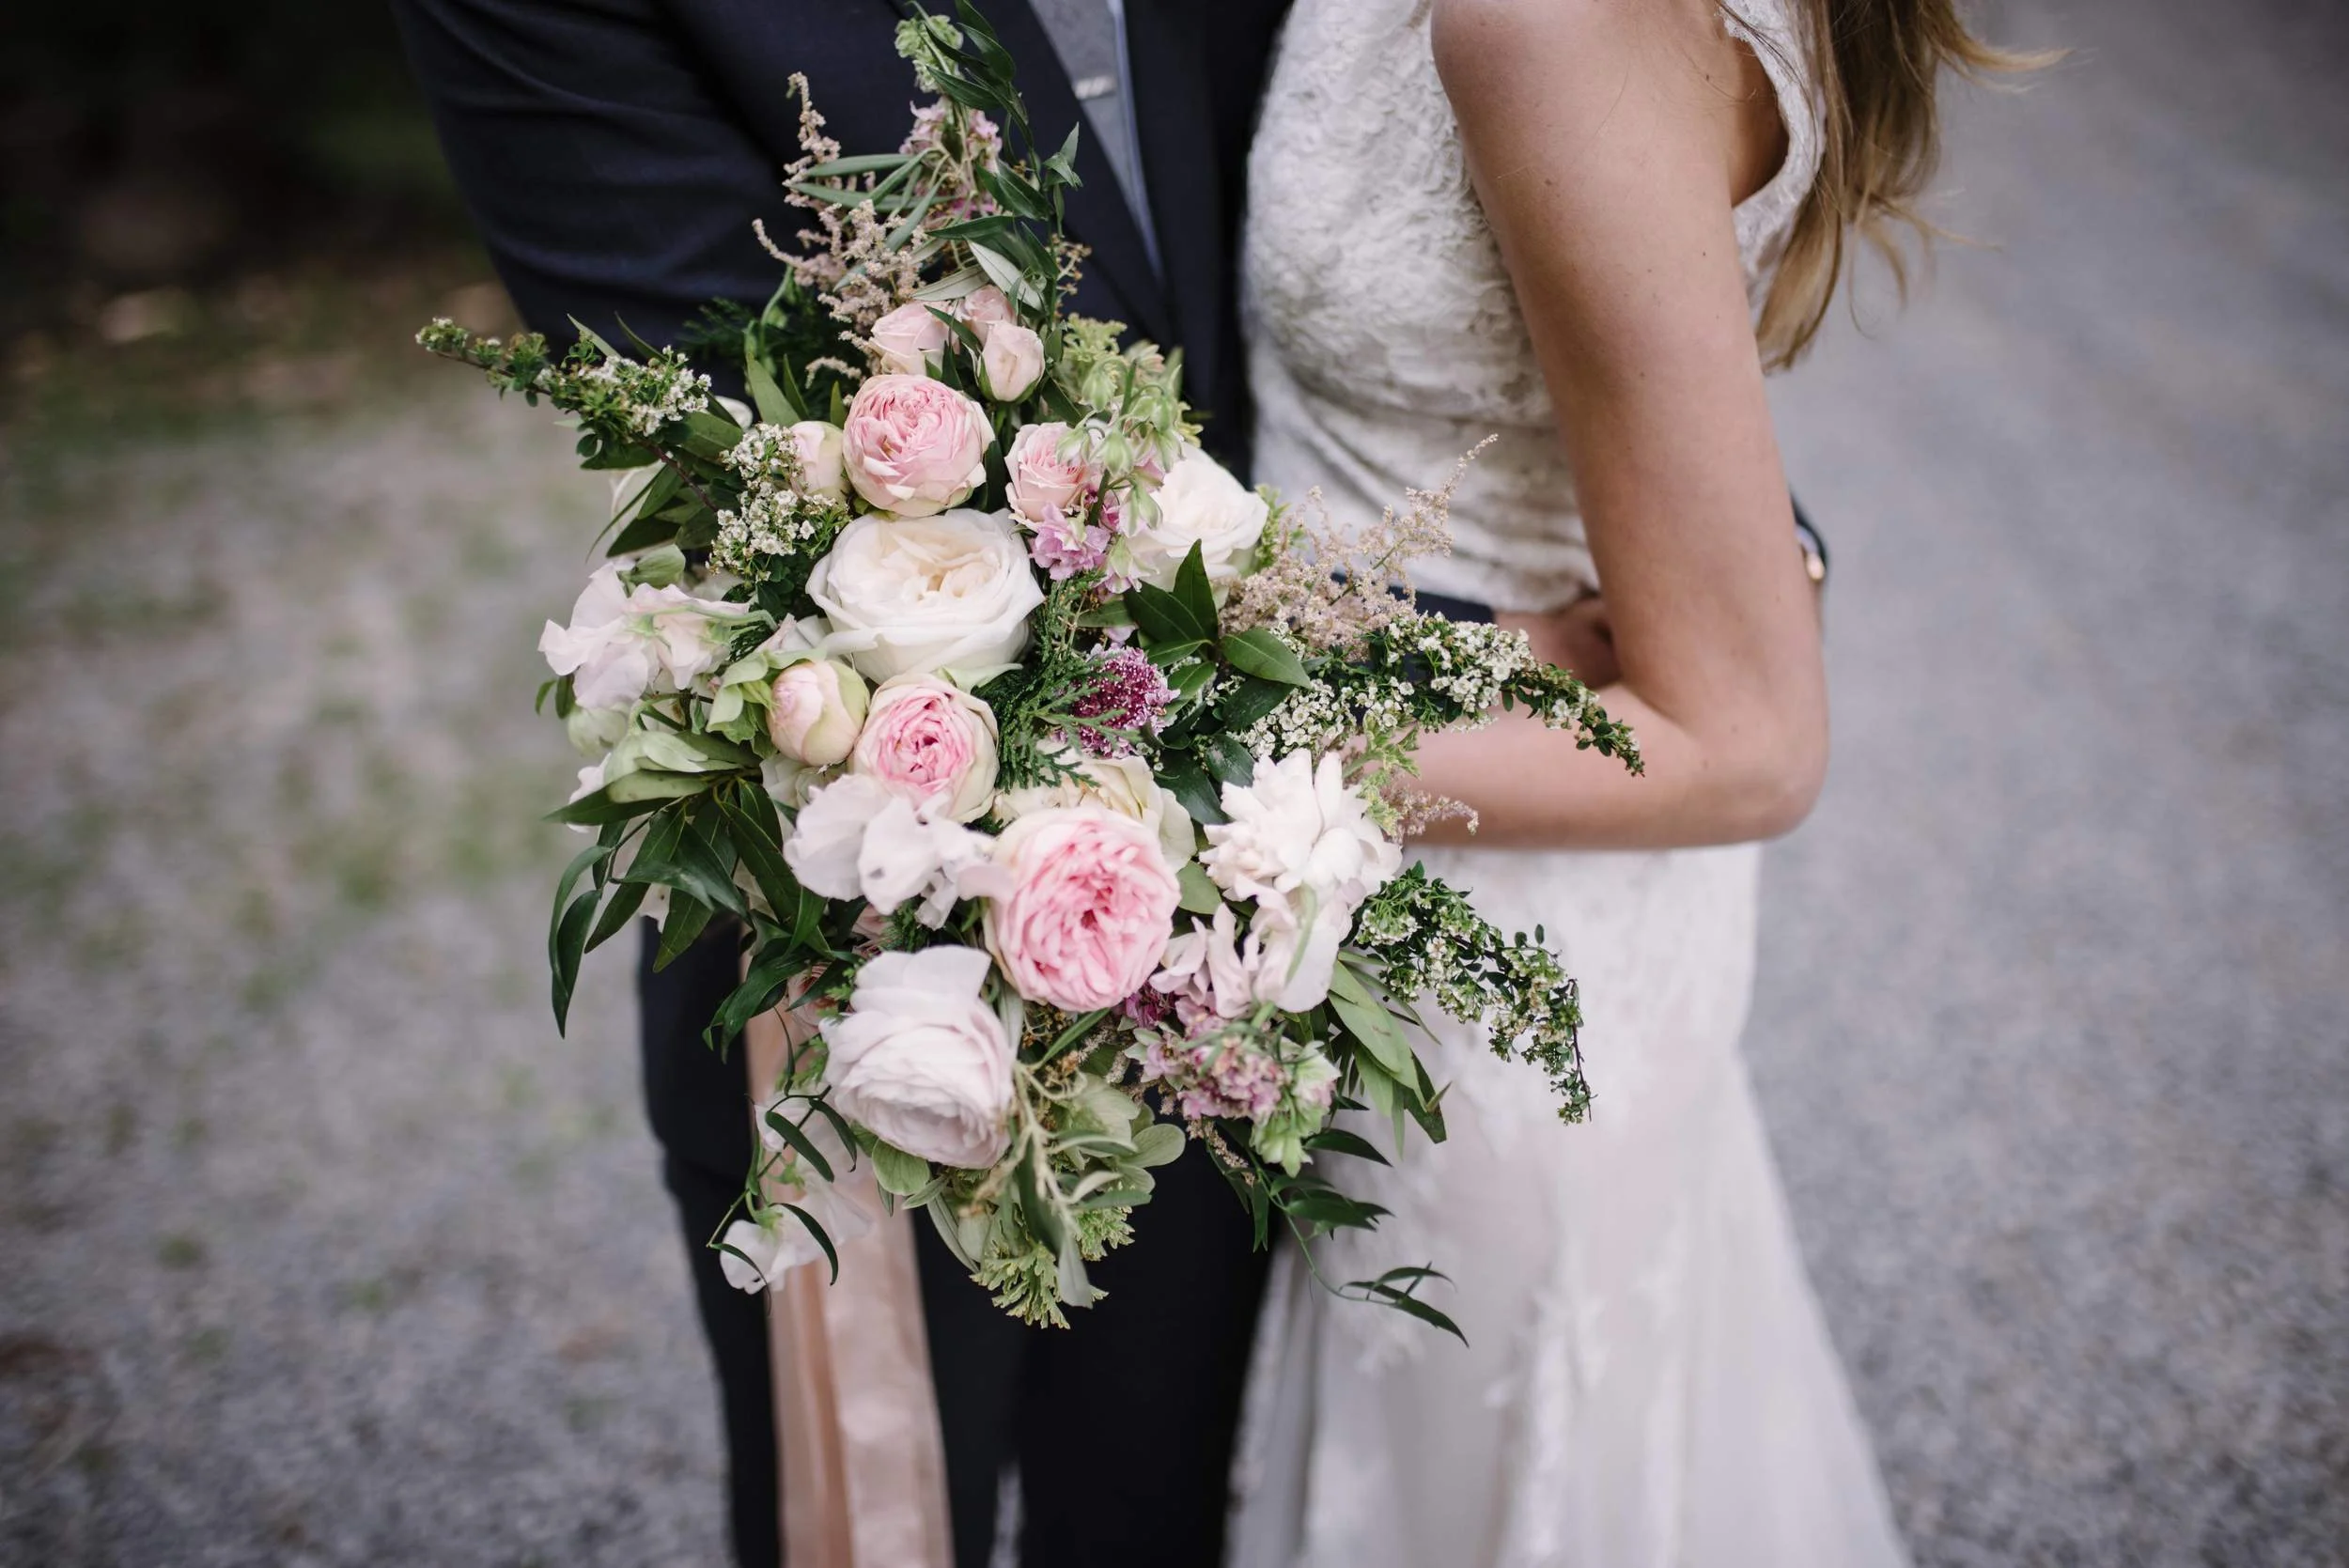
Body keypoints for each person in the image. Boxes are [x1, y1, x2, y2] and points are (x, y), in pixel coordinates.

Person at [389, 2, 1290, 1564]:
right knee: (868, 1518)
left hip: (1254, 937)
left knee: (1161, 1507)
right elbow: (737, 427)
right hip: (857, 939)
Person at [1227, 0, 2032, 1562]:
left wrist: (1237, 763)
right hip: (1460, 841)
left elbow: (1750, 741)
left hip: (1490, 946)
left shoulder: (1557, 25)